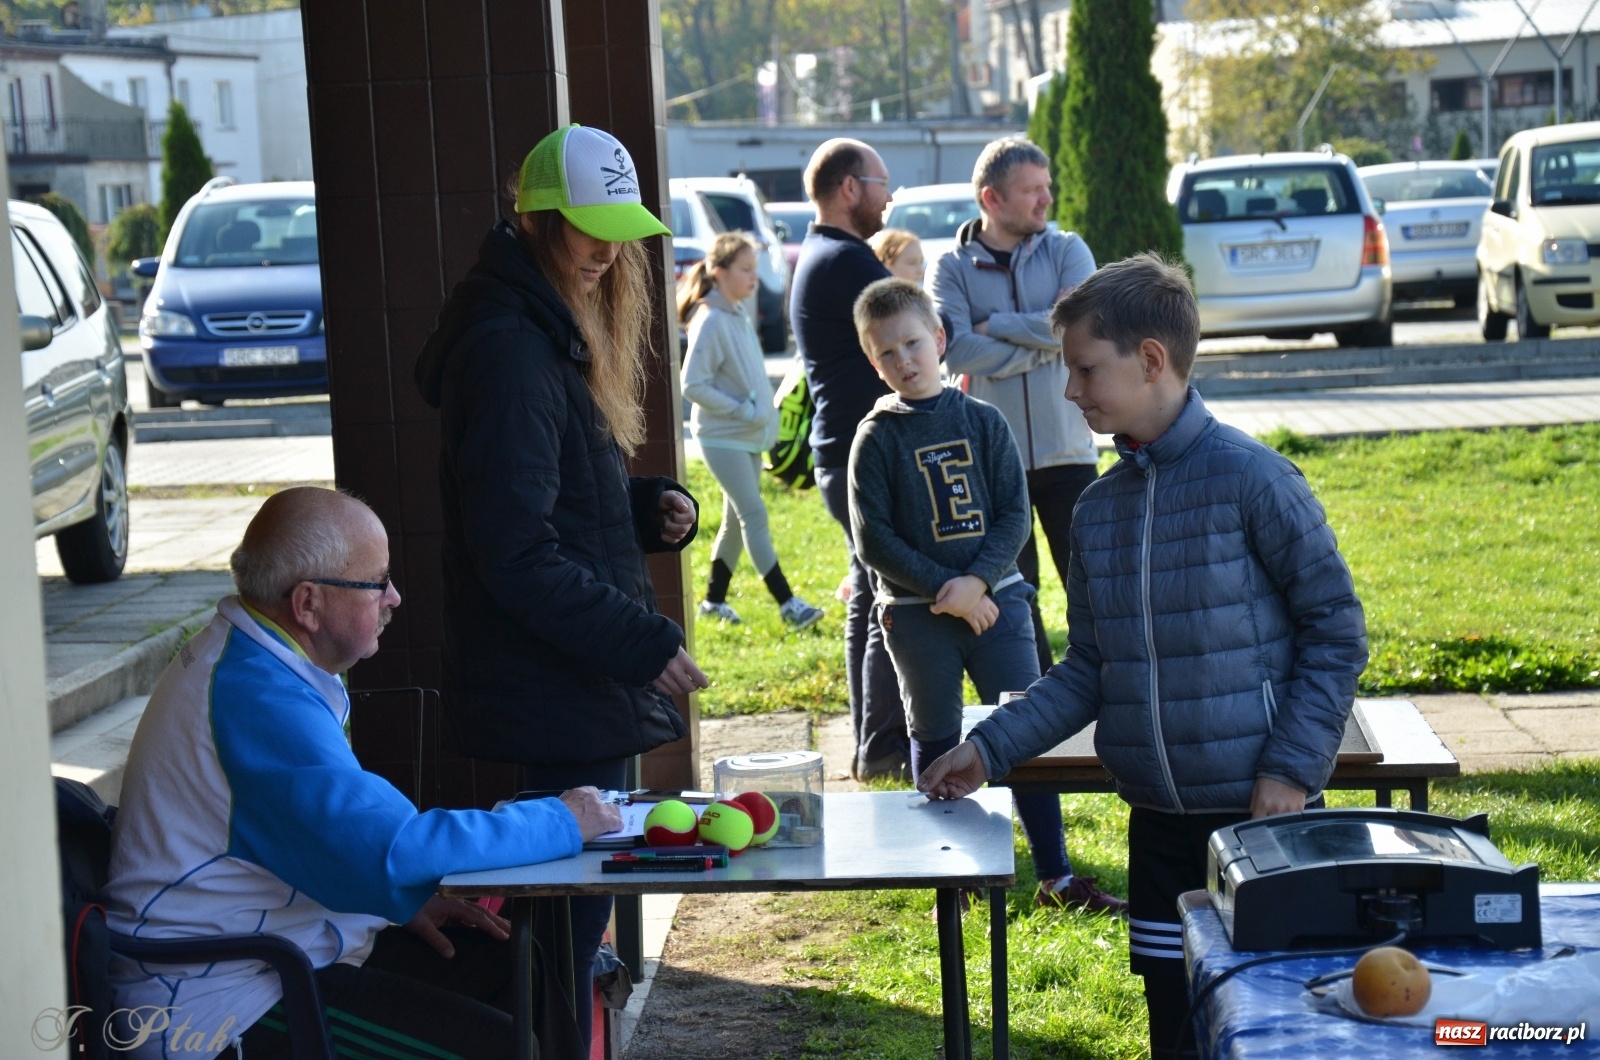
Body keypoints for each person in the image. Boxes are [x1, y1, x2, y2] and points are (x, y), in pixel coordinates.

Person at [918, 255, 1368, 1059]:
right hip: (1159, 833)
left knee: (1278, 1032)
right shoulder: (1097, 511)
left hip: (1265, 824)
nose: (1069, 390)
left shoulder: (1257, 480)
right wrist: (988, 749)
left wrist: (1292, 769)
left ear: (1152, 359)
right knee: (1176, 1033)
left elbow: (1336, 631)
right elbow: (1089, 668)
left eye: (1085, 368)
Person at [102, 487, 624, 1060]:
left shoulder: (256, 660)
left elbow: (316, 839)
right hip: (215, 1003)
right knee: (501, 1047)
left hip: (271, 950)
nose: (394, 597)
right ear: (308, 603)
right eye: (378, 582)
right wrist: (559, 821)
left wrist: (393, 901)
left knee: (516, 972)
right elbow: (394, 850)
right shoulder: (256, 697)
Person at [414, 123, 709, 1048]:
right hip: (559, 690)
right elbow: (513, 553)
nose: (608, 252)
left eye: (621, 231)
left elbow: (547, 503)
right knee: (559, 955)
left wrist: (643, 507)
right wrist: (643, 642)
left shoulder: (539, 328)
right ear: (536, 220)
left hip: (570, 684)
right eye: (590, 229)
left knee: (567, 949)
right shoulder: (511, 348)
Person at [848, 278, 1126, 917]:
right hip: (917, 615)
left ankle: (1056, 875)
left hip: (998, 603)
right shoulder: (876, 437)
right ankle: (953, 877)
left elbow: (1013, 514)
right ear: (872, 361)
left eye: (913, 343)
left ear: (939, 338)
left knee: (1024, 727)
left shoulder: (983, 420)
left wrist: (976, 582)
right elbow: (874, 539)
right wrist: (945, 591)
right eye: (887, 352)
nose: (904, 360)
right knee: (934, 731)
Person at [929, 137, 1099, 676]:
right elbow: (956, 349)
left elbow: (1080, 326)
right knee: (1013, 594)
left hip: (1069, 452)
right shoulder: (950, 267)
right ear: (992, 199)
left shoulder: (1068, 250)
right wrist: (1044, 341)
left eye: (1047, 187)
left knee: (1093, 589)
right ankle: (1037, 697)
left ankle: (1105, 688)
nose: (1047, 199)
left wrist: (995, 326)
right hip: (992, 464)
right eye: (1033, 190)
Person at [788, 136, 910, 781]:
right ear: (850, 187)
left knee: (868, 594)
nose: (889, 198)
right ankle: (883, 745)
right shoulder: (847, 262)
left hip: (842, 451)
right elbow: (920, 332)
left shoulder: (820, 255)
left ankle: (872, 743)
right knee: (892, 598)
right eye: (883, 183)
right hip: (863, 456)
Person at [679, 231, 825, 631]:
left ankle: (713, 601)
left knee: (735, 521)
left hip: (745, 436)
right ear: (718, 272)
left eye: (754, 269)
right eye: (745, 269)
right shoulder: (711, 319)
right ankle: (789, 603)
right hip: (721, 436)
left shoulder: (734, 312)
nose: (753, 277)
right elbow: (692, 385)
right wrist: (743, 410)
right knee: (753, 514)